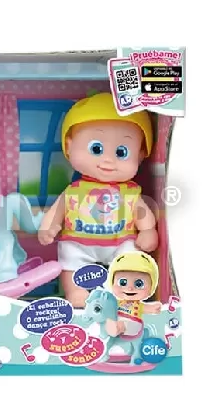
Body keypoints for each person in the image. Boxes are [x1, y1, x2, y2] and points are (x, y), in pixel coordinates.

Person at [38, 92, 158, 308]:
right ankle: (75, 291)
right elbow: (58, 209)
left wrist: (148, 230)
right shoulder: (74, 190)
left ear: (140, 155)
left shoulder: (130, 192)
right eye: (96, 149)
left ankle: (126, 294)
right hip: (78, 241)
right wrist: (49, 225)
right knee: (70, 259)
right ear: (69, 146)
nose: (108, 160)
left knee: (131, 257)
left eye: (121, 152)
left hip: (121, 240)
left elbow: (141, 212)